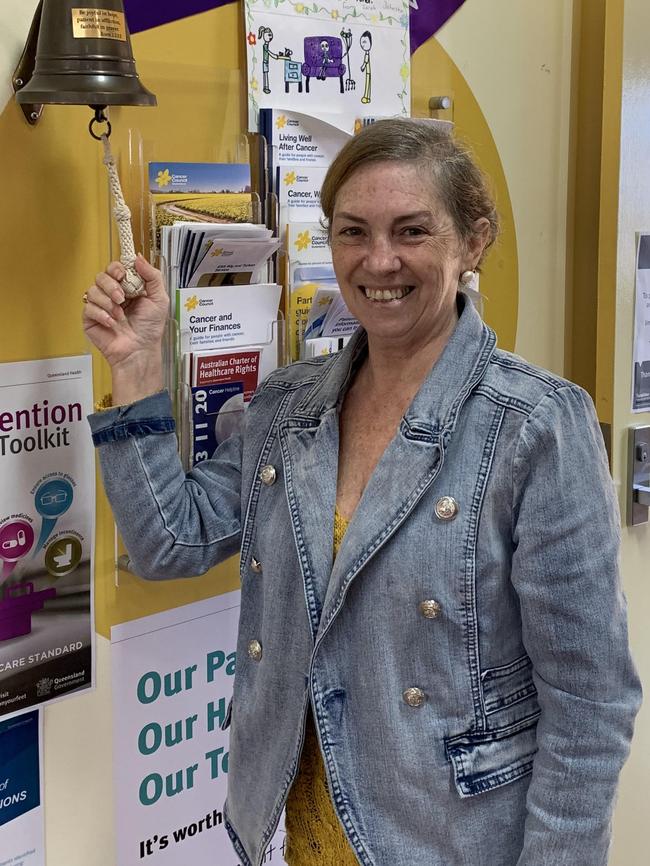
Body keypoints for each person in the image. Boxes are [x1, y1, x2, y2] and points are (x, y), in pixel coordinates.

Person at [83, 120, 641, 866]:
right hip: (291, 835)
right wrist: (137, 365)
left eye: (412, 230)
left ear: (472, 242)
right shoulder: (287, 407)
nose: (379, 261)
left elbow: (590, 701)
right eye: (354, 232)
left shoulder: (536, 426)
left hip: (449, 843)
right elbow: (168, 542)